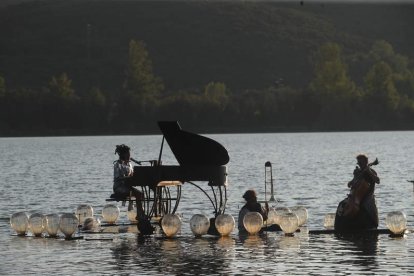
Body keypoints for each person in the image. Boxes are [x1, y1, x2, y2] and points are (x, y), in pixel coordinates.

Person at [113, 144, 154, 235]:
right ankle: (140, 216)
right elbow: (119, 177)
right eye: (127, 154)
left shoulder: (129, 164)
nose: (129, 156)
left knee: (141, 194)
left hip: (128, 187)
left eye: (129, 154)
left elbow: (132, 176)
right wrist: (128, 178)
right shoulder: (117, 164)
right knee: (138, 194)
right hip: (119, 187)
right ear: (122, 155)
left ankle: (140, 215)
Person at [335, 154, 380, 232]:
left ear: (366, 162)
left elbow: (378, 181)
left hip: (367, 197)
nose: (359, 165)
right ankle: (339, 227)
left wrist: (368, 171)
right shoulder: (358, 172)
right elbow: (352, 182)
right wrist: (351, 182)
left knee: (365, 207)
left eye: (360, 163)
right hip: (355, 197)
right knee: (341, 204)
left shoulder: (371, 171)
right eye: (358, 163)